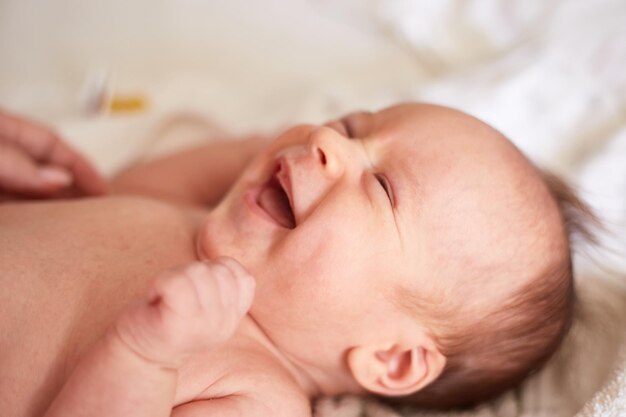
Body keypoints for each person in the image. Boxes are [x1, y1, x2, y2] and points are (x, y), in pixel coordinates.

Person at [0, 103, 592, 417]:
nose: (328, 144)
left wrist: (142, 357)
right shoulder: (192, 214)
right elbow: (118, 187)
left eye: (384, 188)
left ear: (392, 360)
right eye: (354, 124)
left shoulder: (256, 394)